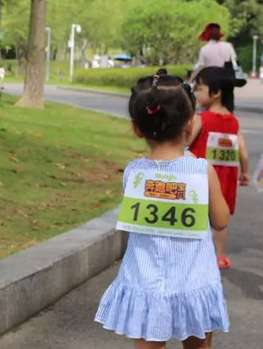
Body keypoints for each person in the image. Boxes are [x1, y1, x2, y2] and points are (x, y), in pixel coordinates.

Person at [95, 70, 230, 349]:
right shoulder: (201, 171)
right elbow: (220, 221)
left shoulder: (134, 173)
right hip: (194, 280)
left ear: (137, 128)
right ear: (189, 122)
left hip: (145, 282)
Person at [188, 67, 250, 270]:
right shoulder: (233, 121)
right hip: (225, 177)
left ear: (215, 93)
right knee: (220, 217)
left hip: (200, 176)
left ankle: (195, 255)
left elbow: (185, 142)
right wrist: (245, 171)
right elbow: (242, 150)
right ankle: (220, 255)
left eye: (199, 89)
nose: (196, 93)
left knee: (197, 214)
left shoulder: (201, 119)